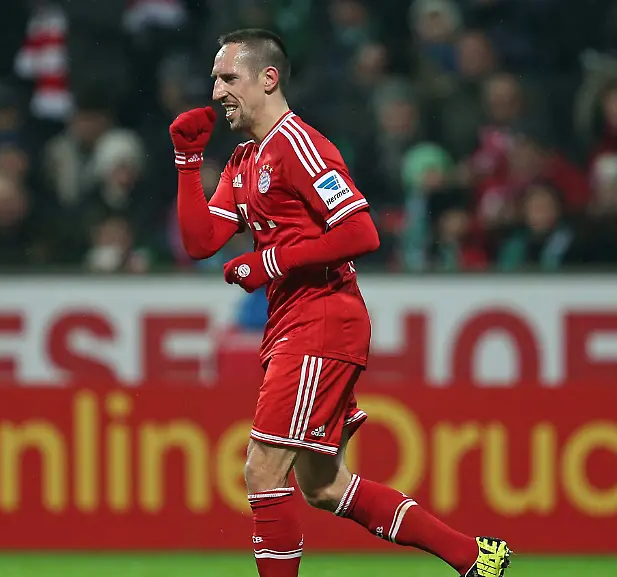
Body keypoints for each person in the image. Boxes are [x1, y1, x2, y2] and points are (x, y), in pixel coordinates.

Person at [169, 29, 512, 577]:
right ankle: (476, 557)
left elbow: (361, 233)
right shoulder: (245, 158)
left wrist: (271, 261)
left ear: (268, 79)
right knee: (324, 486)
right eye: (214, 79)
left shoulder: (299, 146)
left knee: (262, 470)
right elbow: (201, 241)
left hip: (321, 319)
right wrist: (188, 163)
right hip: (293, 321)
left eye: (228, 78)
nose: (216, 92)